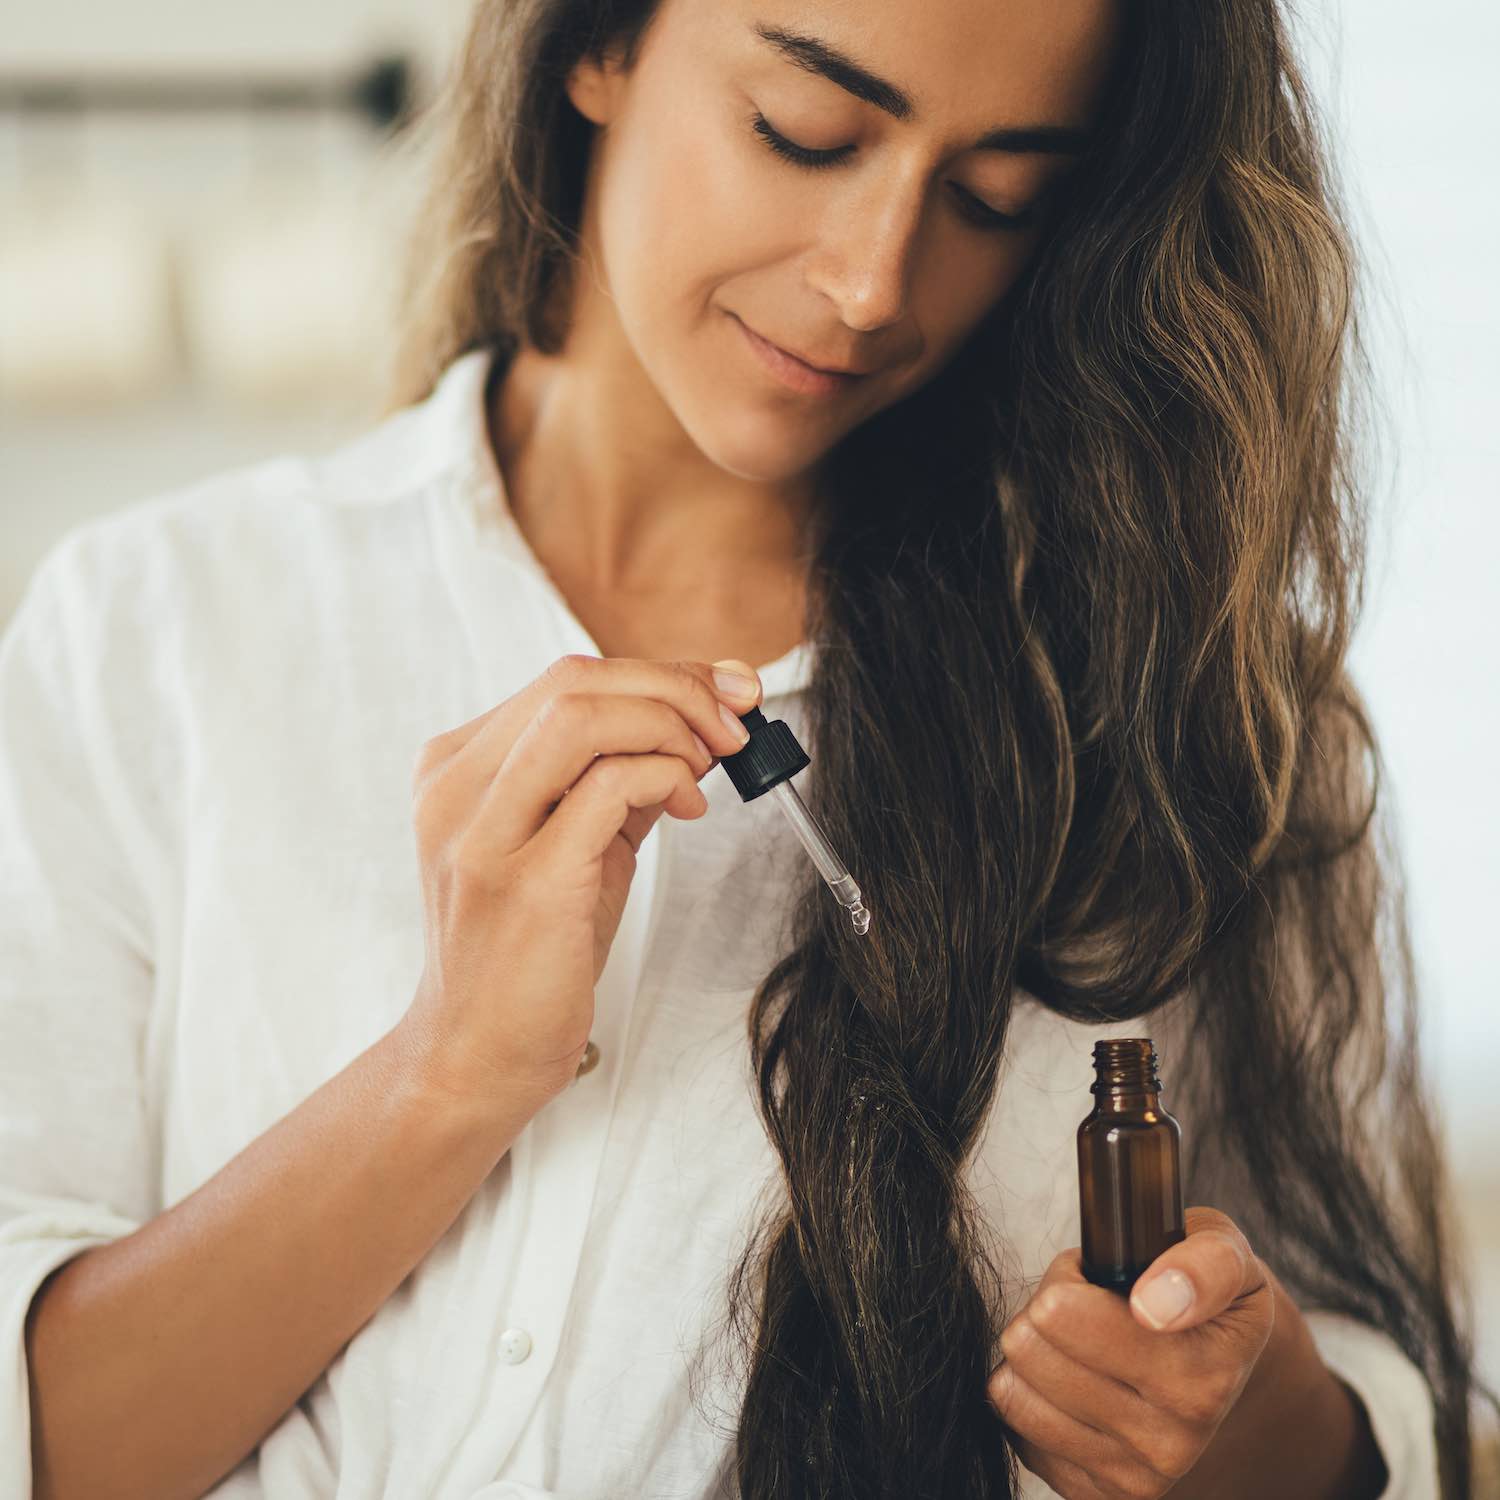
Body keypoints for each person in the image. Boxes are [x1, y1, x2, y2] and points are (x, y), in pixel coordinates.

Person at [2, 0, 1490, 1496]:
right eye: (805, 133)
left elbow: (1376, 1410)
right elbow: (48, 1445)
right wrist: (441, 1077)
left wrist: (1250, 1425)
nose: (868, 285)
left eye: (994, 200)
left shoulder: (1199, 726)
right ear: (595, 45)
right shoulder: (152, 634)